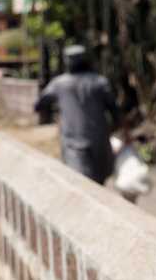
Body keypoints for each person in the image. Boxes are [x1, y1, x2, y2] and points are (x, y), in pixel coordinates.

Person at [34, 45, 120, 184]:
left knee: (81, 183)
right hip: (99, 142)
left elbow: (39, 105)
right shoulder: (99, 82)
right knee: (98, 183)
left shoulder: (59, 84)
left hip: (73, 146)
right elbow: (115, 110)